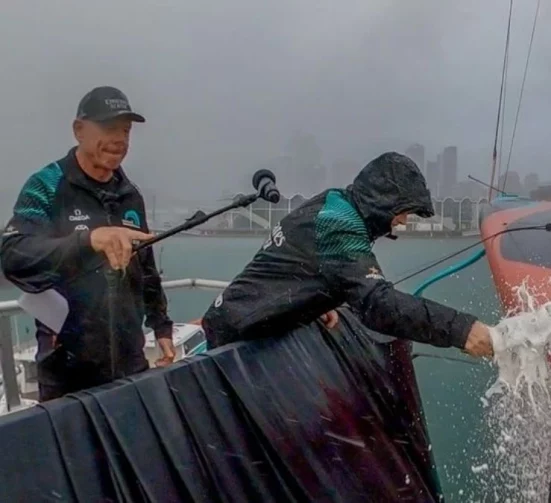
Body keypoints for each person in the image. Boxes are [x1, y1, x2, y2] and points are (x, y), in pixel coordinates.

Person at [202, 152, 494, 357]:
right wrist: (461, 329)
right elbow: (378, 305)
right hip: (232, 342)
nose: (404, 221)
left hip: (233, 321)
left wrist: (315, 299)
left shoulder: (333, 202)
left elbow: (298, 261)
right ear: (384, 201)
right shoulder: (340, 224)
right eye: (403, 211)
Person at [0, 86, 175, 401]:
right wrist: (87, 240)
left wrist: (161, 326)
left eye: (126, 130)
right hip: (66, 366)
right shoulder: (47, 185)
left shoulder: (130, 194)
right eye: (109, 128)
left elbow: (145, 266)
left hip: (129, 361)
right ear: (78, 130)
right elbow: (13, 254)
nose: (120, 139)